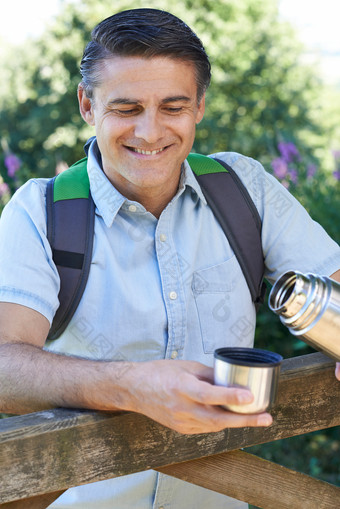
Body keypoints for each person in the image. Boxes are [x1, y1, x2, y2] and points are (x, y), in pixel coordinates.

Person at [0, 8, 339, 509]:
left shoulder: (244, 189)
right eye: (127, 107)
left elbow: (332, 281)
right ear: (87, 105)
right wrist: (130, 387)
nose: (150, 131)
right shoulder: (39, 210)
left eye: (173, 107)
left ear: (200, 105)